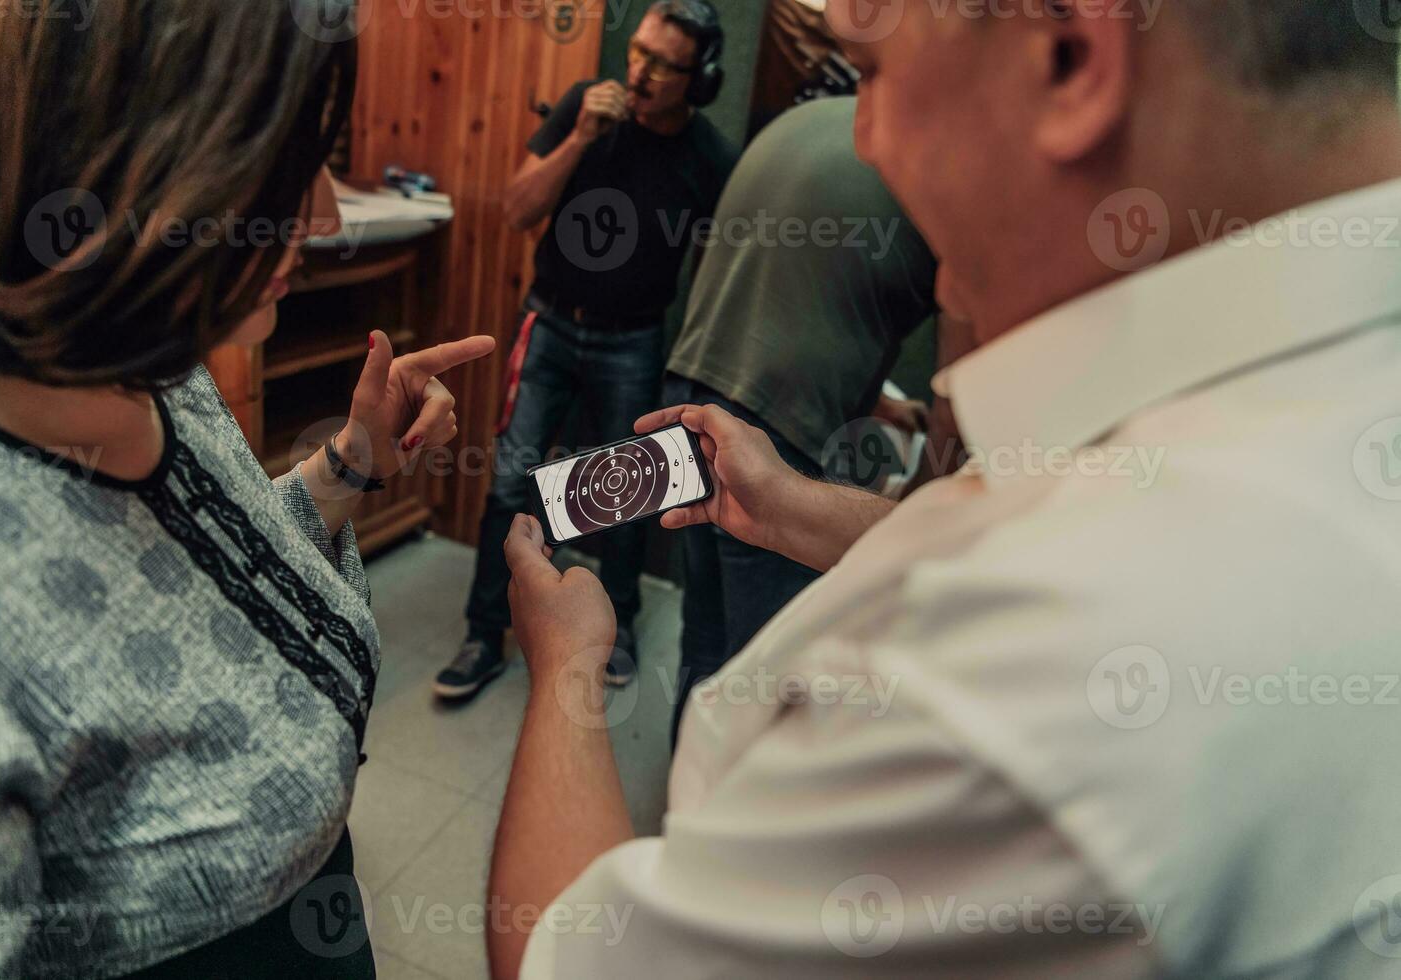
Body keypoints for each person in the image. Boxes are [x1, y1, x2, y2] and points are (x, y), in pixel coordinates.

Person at [486, 1, 1401, 976]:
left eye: (875, 74)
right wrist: (795, 505)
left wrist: (570, 665)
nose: (867, 141)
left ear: (1067, 58)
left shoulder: (1029, 666)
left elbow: (569, 959)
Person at [0, 4, 494, 976]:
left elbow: (208, 571)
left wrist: (351, 462)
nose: (320, 219)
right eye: (273, 170)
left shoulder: (150, 355)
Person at [433, 0, 739, 700]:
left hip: (635, 339)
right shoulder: (583, 106)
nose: (641, 72)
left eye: (664, 65)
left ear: (701, 79)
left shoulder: (711, 158)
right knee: (513, 481)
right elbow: (516, 209)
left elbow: (718, 267)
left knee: (626, 495)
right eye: (638, 53)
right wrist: (579, 138)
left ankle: (620, 624)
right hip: (548, 323)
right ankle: (484, 633)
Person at [662, 94, 938, 743]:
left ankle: (683, 807)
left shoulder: (801, 123)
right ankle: (726, 835)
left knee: (705, 635)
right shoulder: (928, 156)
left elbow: (801, 289)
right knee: (773, 668)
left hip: (695, 386)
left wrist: (878, 404)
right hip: (776, 428)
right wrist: (923, 512)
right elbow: (959, 378)